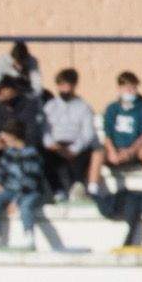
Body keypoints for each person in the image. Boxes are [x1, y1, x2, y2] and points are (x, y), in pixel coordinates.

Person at [0, 118, 43, 251]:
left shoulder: (31, 153)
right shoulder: (9, 153)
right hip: (10, 189)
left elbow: (30, 181)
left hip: (28, 192)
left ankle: (29, 236)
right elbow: (0, 170)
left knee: (26, 205)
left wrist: (16, 200)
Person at [91, 71, 142, 185]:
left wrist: (130, 151)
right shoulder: (112, 108)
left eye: (134, 88)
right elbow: (107, 135)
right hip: (114, 149)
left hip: (134, 150)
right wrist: (112, 152)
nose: (131, 92)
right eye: (127, 88)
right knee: (97, 154)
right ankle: (93, 187)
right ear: (119, 88)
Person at [42, 68, 96, 201]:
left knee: (86, 152)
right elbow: (44, 130)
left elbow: (88, 133)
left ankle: (77, 187)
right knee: (45, 155)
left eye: (67, 85)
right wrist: (51, 144)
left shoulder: (84, 107)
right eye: (61, 85)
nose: (64, 89)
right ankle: (57, 190)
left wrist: (73, 149)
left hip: (75, 144)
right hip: (55, 145)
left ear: (74, 85)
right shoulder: (50, 106)